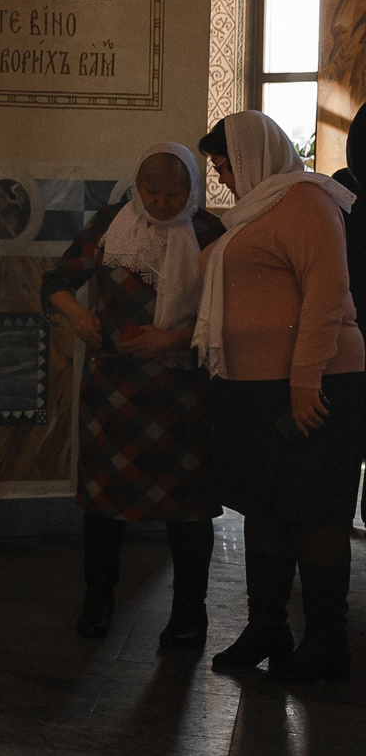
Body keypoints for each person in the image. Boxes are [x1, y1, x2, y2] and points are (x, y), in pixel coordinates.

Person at [195, 113, 361, 685]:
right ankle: (268, 627)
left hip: (312, 382)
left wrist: (304, 382)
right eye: (218, 168)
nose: (224, 177)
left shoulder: (305, 202)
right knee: (263, 504)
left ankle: (327, 642)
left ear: (256, 156)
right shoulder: (250, 215)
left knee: (315, 511)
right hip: (253, 387)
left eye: (227, 165)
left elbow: (326, 293)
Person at [42, 144, 225, 647]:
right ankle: (98, 601)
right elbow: (56, 282)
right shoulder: (108, 224)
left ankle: (190, 614)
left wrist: (169, 339)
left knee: (188, 509)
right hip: (113, 392)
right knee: (104, 503)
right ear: (136, 187)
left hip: (184, 394)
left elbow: (224, 316)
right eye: (153, 192)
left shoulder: (210, 233)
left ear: (192, 189)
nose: (164, 204)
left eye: (175, 193)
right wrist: (79, 318)